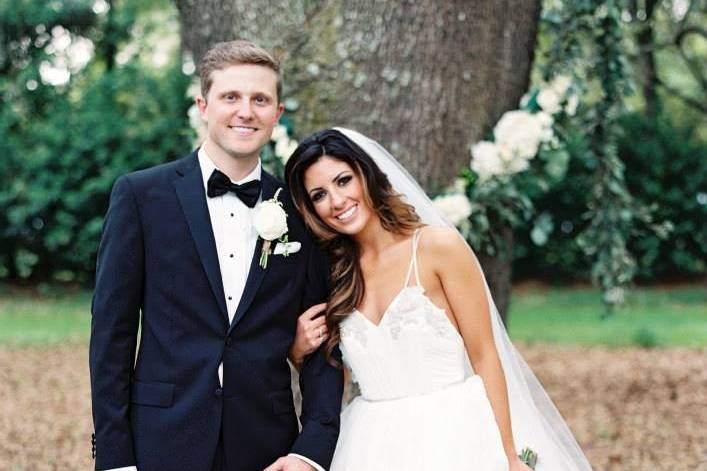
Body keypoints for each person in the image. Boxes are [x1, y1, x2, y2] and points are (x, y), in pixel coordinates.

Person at [89, 41, 343, 471]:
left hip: (267, 447)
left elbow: (322, 335)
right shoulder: (140, 196)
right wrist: (116, 459)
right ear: (203, 106)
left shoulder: (299, 209)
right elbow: (111, 335)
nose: (246, 111)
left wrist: (311, 450)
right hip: (160, 444)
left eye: (260, 99)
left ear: (277, 114)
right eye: (231, 97)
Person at [284, 128, 594, 471]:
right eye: (319, 195)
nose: (337, 201)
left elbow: (485, 354)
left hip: (455, 435)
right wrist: (299, 353)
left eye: (343, 181)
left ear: (366, 174)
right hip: (372, 445)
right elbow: (338, 380)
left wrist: (507, 454)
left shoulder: (437, 248)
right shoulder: (336, 274)